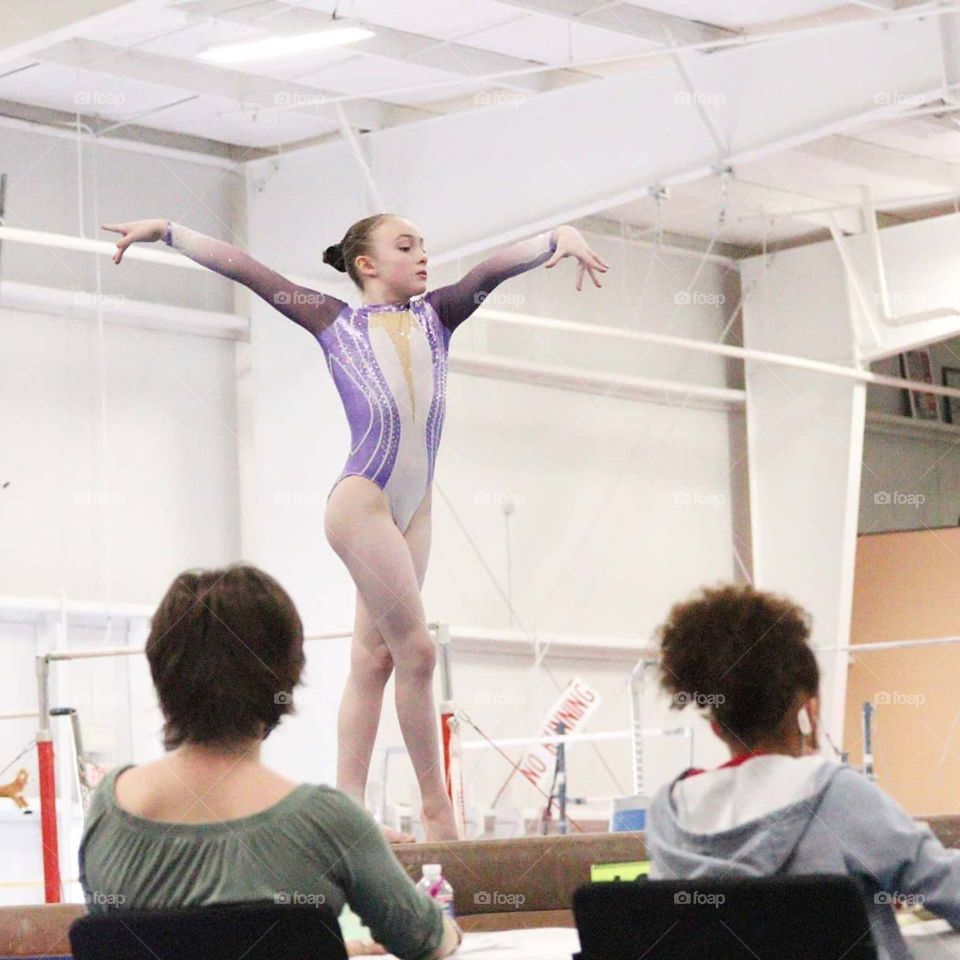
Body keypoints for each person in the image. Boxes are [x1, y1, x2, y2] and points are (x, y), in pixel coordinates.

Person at [101, 213, 609, 839]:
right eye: (406, 246)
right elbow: (248, 269)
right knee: (417, 651)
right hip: (363, 502)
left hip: (413, 506)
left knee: (374, 661)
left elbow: (490, 271)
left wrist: (555, 239)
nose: (423, 255)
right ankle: (436, 810)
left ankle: (348, 809)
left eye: (424, 243)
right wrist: (168, 232)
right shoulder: (333, 322)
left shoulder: (440, 314)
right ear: (365, 265)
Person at [78, 564, 462, 960]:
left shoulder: (108, 813)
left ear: (160, 673)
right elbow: (428, 942)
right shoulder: (329, 822)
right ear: (287, 676)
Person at [645, 583, 960, 960]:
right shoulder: (834, 794)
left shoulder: (669, 817)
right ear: (808, 713)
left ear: (716, 725)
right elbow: (947, 888)